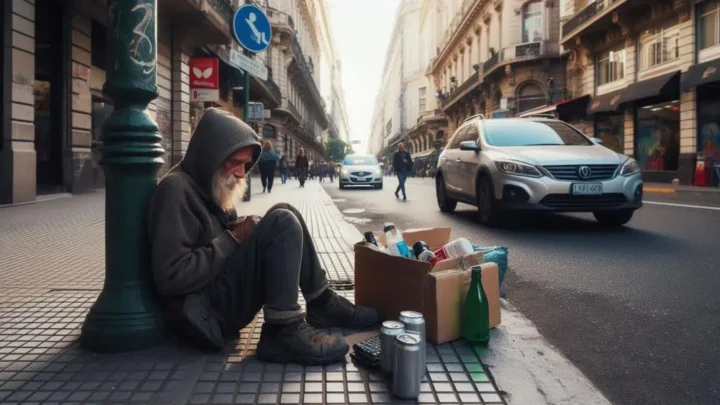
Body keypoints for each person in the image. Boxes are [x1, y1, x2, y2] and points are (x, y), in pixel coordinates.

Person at [147, 108, 380, 365]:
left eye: (245, 165)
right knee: (281, 223)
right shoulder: (176, 191)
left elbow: (212, 234)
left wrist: (242, 230)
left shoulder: (205, 184)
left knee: (285, 211)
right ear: (211, 155)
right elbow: (172, 277)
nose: (240, 173)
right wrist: (234, 238)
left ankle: (321, 302)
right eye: (234, 162)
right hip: (206, 312)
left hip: (216, 293)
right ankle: (282, 331)